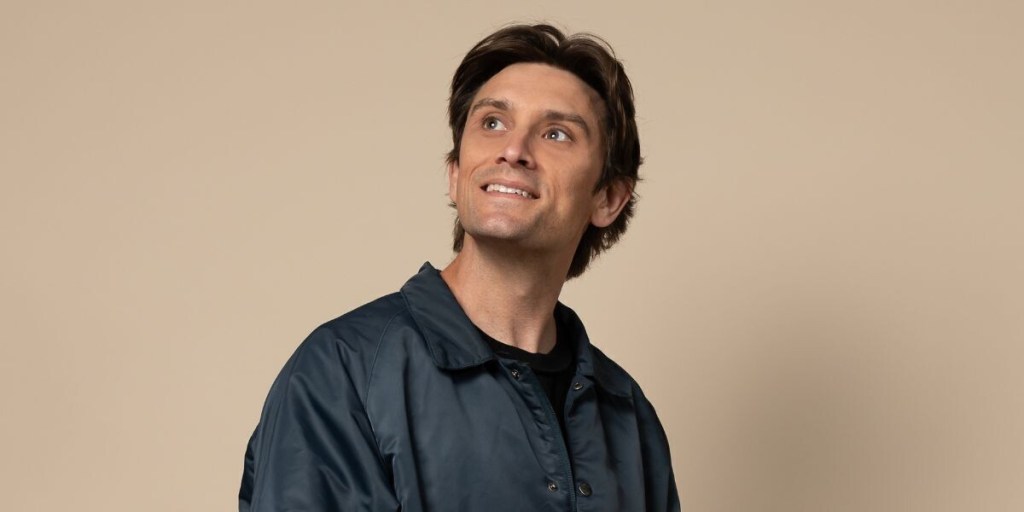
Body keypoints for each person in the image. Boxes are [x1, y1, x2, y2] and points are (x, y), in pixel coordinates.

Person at [239, 23, 680, 511]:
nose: (513, 150)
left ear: (608, 198)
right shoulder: (343, 373)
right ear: (455, 174)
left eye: (556, 133)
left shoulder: (628, 416)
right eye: (492, 123)